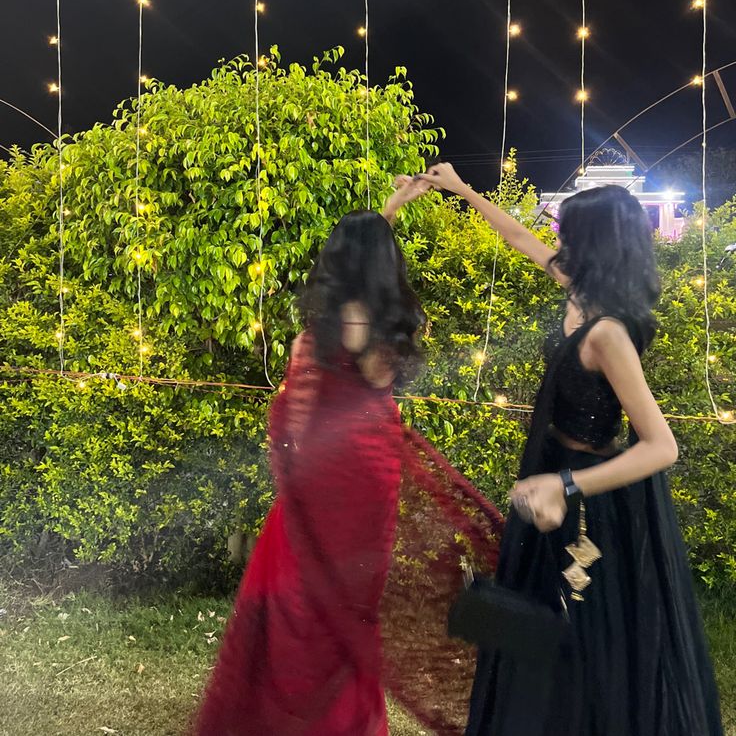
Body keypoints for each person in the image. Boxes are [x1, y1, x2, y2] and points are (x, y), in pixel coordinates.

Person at [417, 163, 723, 736]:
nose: (558, 243)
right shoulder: (578, 290)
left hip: (587, 506)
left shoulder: (608, 333)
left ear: (594, 245)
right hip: (555, 486)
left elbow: (662, 447)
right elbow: (518, 237)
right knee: (537, 634)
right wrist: (461, 190)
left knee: (579, 643)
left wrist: (565, 485)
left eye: (569, 235)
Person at [194, 179, 504, 736]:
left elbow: (295, 412)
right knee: (350, 606)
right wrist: (388, 213)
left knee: (300, 599)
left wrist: (291, 459)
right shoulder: (385, 329)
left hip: (324, 479)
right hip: (370, 477)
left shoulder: (321, 330)